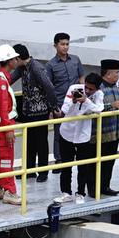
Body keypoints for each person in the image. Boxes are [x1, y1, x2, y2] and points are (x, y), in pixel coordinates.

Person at [54, 74, 105, 203]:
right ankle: (66, 192)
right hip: (67, 132)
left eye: (91, 89)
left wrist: (86, 101)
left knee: (83, 166)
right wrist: (74, 101)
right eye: (86, 87)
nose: (87, 91)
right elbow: (64, 109)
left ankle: (80, 193)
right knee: (66, 164)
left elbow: (99, 109)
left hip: (83, 135)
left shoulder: (99, 94)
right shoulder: (74, 88)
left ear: (97, 89)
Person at [11, 44, 55, 181]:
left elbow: (49, 87)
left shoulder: (36, 67)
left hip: (40, 111)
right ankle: (29, 170)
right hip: (28, 112)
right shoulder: (22, 68)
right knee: (29, 142)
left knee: (41, 142)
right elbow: (10, 79)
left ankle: (43, 172)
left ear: (18, 57)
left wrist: (54, 107)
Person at [0, 44, 22, 205]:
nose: (17, 60)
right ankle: (10, 191)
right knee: (6, 158)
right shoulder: (1, 81)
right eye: (15, 58)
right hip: (4, 125)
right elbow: (2, 107)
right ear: (9, 61)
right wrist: (8, 128)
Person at [46, 33, 85, 162]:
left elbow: (81, 77)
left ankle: (75, 155)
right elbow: (49, 87)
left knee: (77, 128)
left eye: (67, 44)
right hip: (61, 103)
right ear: (55, 45)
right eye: (62, 44)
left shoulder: (76, 59)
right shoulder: (51, 65)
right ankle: (59, 159)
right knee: (59, 132)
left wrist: (82, 94)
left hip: (77, 102)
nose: (65, 47)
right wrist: (53, 108)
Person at [96, 60, 119, 196]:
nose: (118, 75)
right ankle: (96, 187)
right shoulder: (98, 88)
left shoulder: (115, 87)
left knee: (110, 162)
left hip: (115, 131)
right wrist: (111, 105)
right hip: (102, 133)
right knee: (99, 162)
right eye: (116, 72)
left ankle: (105, 186)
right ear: (107, 74)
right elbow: (95, 107)